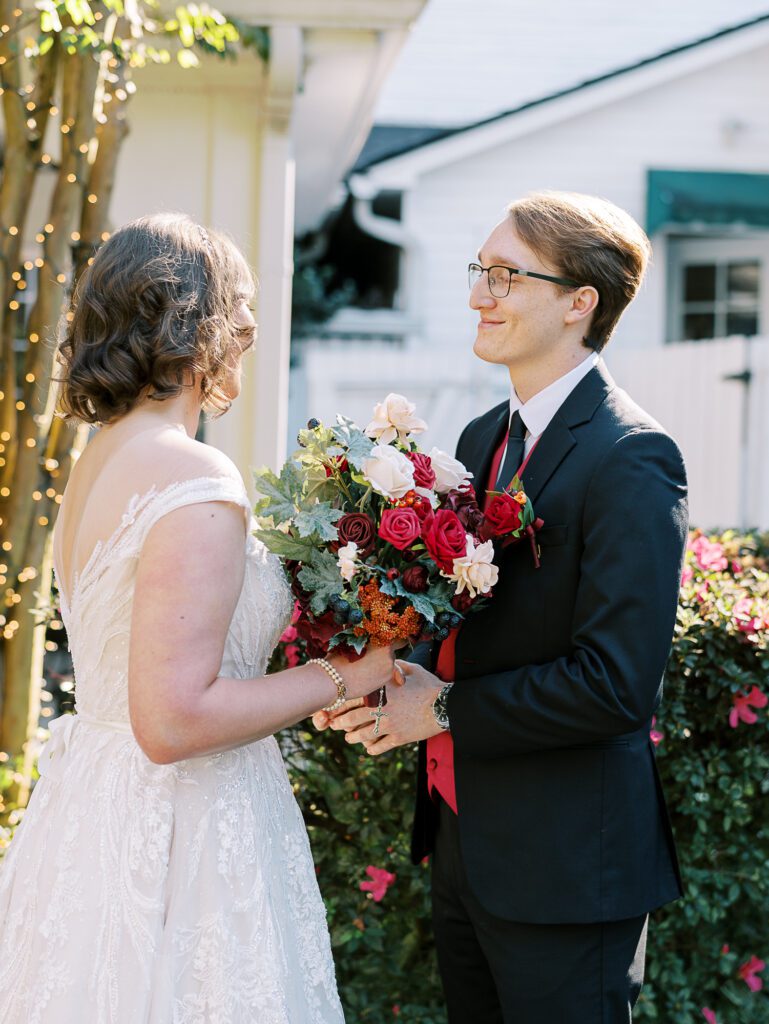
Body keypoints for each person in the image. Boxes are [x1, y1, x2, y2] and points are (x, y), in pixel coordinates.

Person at [0, 213, 393, 1023]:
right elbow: (173, 720)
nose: (251, 324)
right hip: (184, 831)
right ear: (193, 321)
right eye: (239, 303)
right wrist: (344, 675)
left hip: (97, 811)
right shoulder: (193, 477)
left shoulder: (102, 457)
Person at [316, 192, 689, 1022]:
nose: (479, 295)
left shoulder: (631, 457)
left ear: (576, 302)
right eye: (479, 273)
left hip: (564, 867)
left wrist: (441, 708)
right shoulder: (485, 434)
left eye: (503, 276)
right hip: (467, 841)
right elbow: (469, 615)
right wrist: (380, 663)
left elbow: (615, 685)